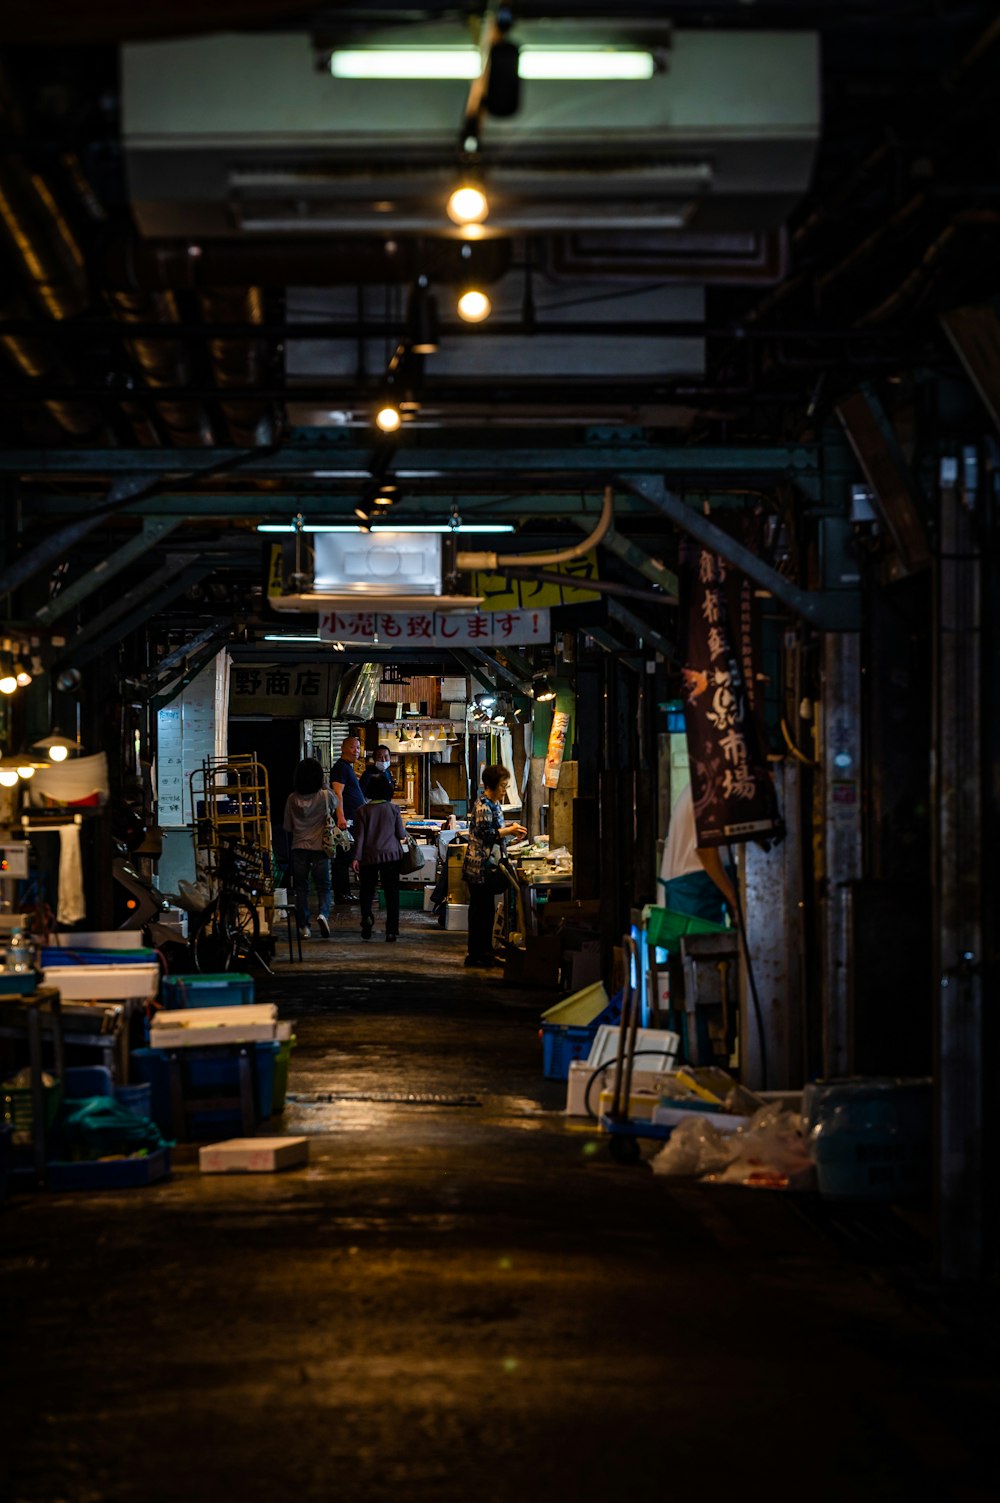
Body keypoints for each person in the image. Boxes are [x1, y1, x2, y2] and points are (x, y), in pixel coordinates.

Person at [462, 763, 526, 969]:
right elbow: (486, 834)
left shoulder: (495, 804)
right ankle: (476, 955)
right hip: (478, 868)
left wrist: (510, 831)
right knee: (480, 913)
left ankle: (484, 952)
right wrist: (509, 830)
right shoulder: (482, 805)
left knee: (486, 912)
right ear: (491, 785)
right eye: (503, 786)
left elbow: (495, 829)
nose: (505, 790)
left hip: (489, 866)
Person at [658, 780, 736, 924]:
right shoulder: (709, 790)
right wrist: (734, 900)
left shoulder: (711, 787)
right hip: (691, 897)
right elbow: (706, 852)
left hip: (699, 893)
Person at [282, 757, 338, 939]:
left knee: (301, 889)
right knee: (324, 886)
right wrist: (326, 786)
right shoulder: (324, 796)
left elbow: (288, 827)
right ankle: (323, 914)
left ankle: (304, 927)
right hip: (320, 848)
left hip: (298, 848)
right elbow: (335, 804)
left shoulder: (291, 799)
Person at [351, 771, 407, 942]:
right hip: (391, 857)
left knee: (367, 891)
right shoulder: (393, 809)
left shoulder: (362, 811)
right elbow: (401, 834)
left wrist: (356, 858)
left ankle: (367, 917)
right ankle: (391, 931)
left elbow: (359, 837)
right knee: (392, 893)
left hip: (369, 857)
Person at [329, 731, 366, 904]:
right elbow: (338, 793)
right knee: (342, 858)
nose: (355, 751)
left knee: (347, 857)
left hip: (352, 820)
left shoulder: (347, 768)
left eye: (358, 747)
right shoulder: (340, 768)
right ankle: (342, 894)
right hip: (346, 821)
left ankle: (345, 893)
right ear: (343, 748)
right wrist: (341, 817)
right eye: (352, 747)